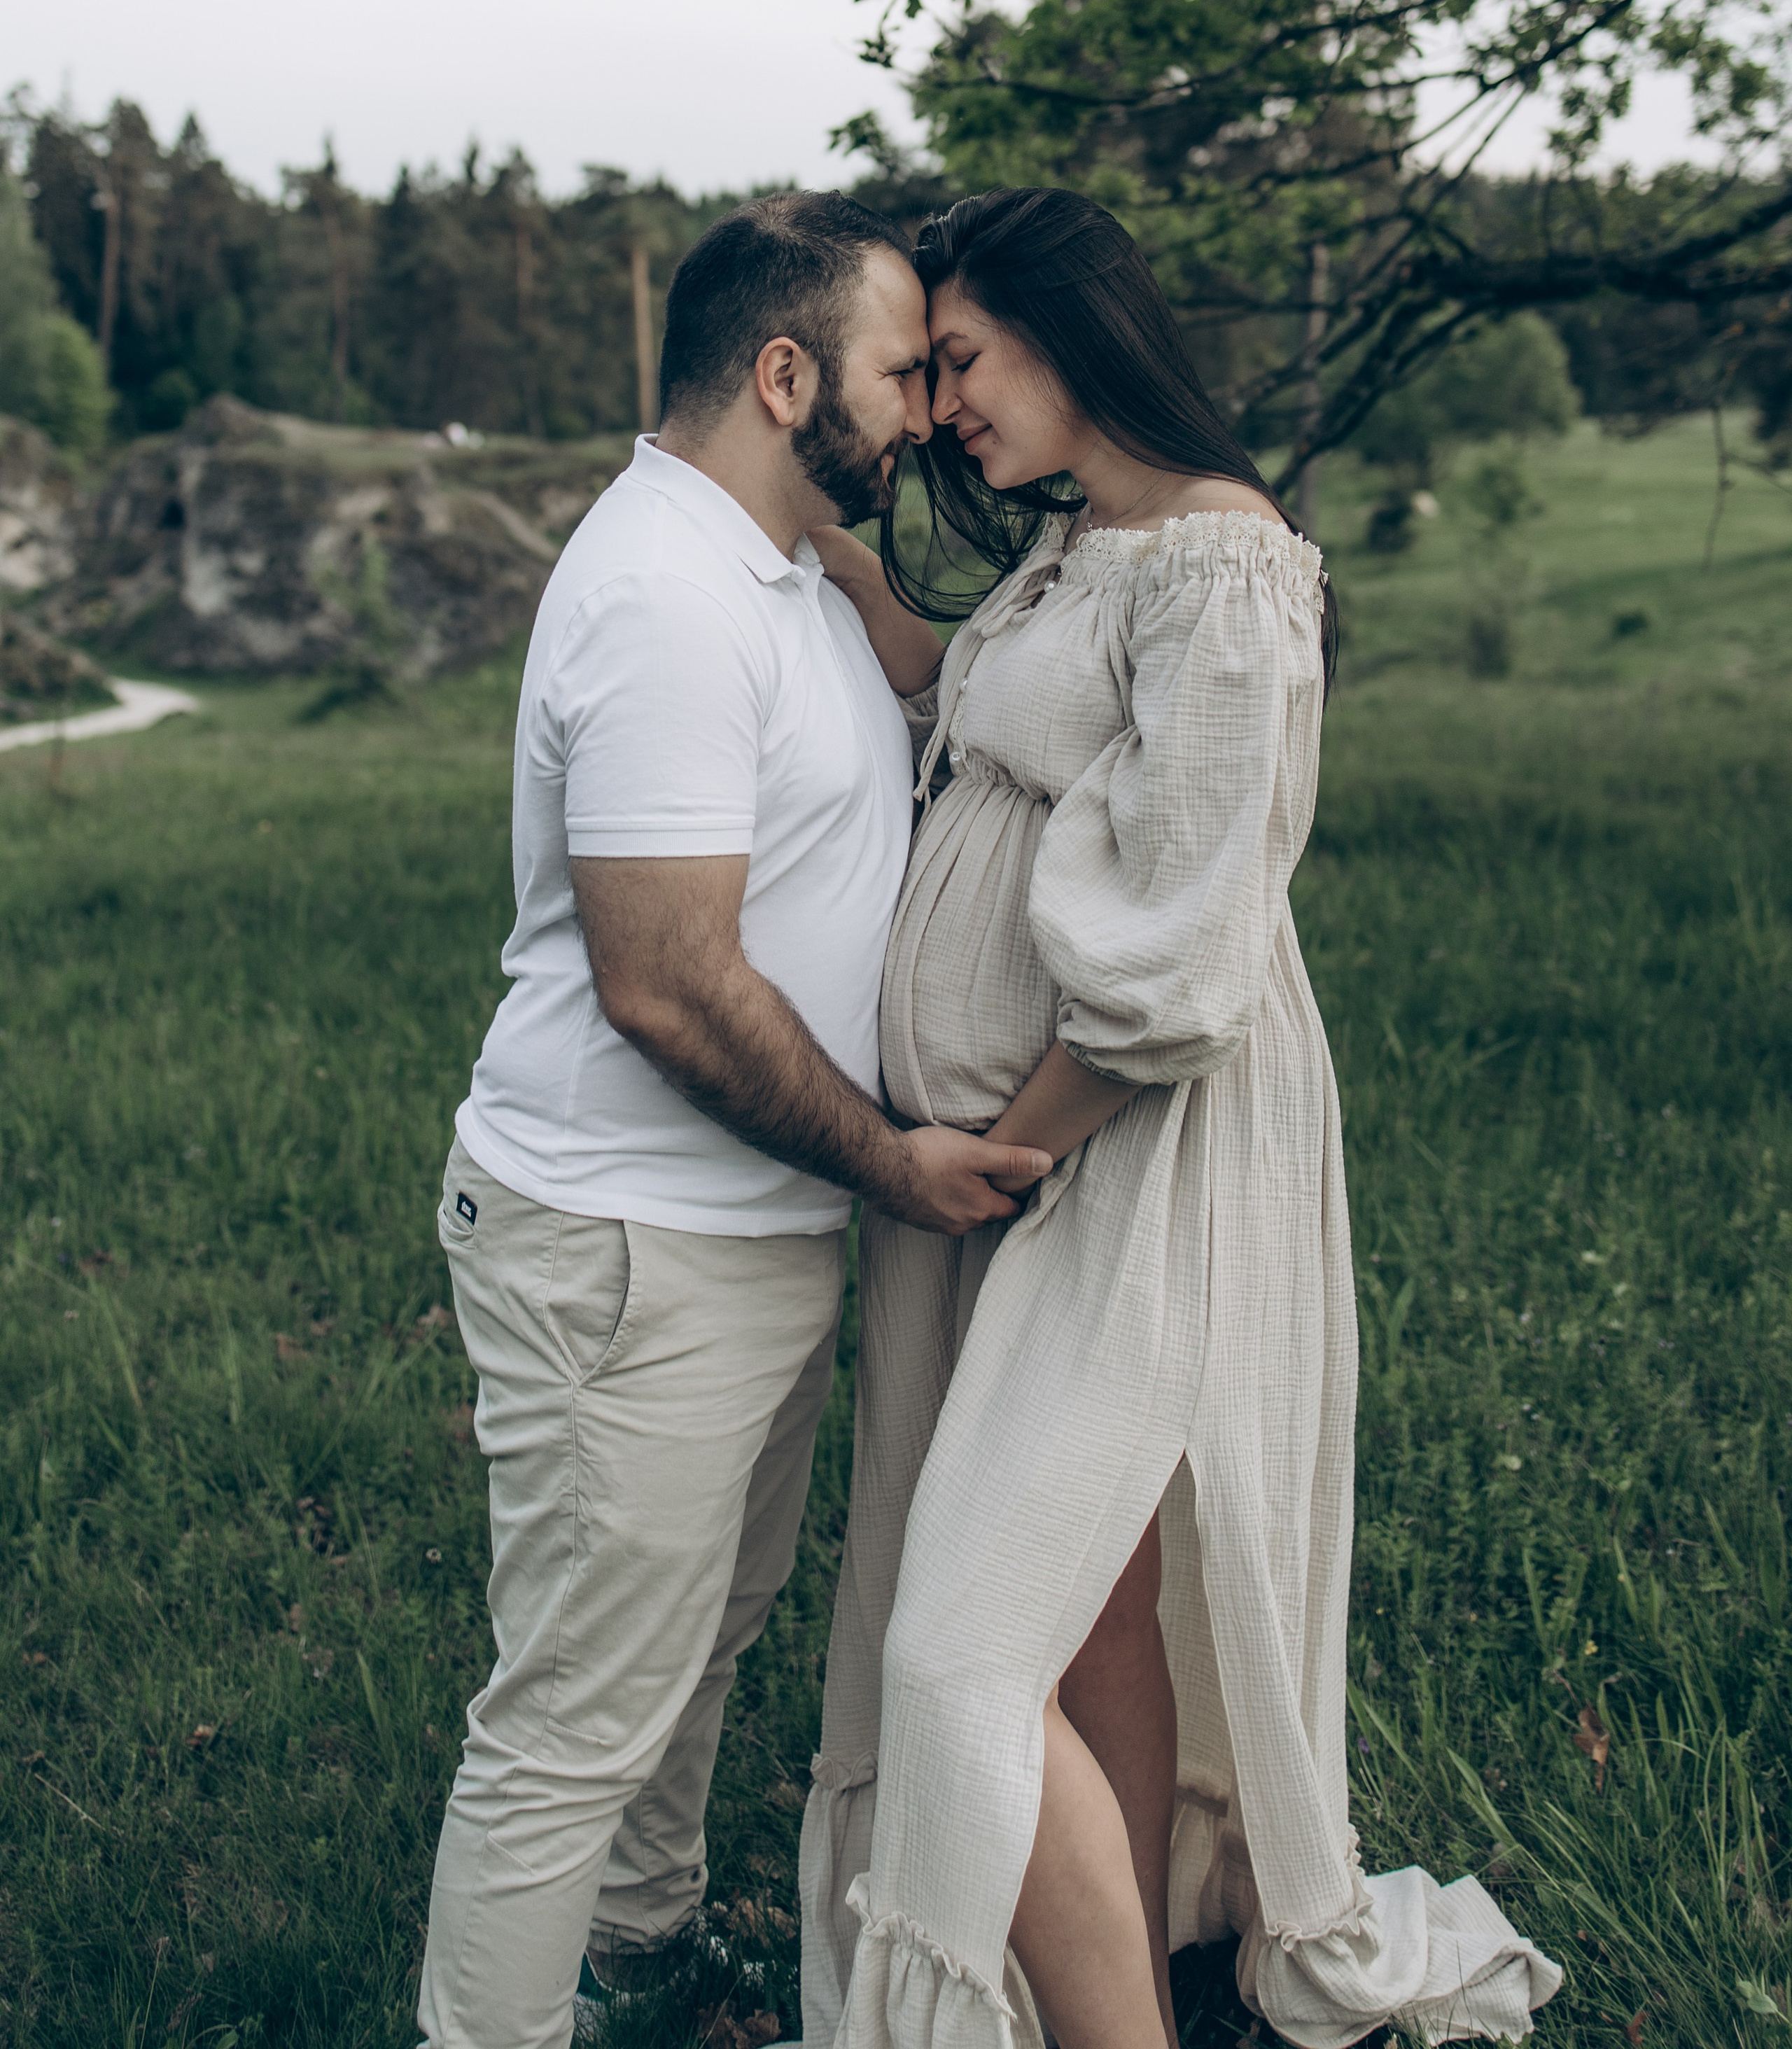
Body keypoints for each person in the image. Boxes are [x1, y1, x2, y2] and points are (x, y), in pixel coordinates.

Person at [800, 190, 1562, 2049]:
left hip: (1123, 1158)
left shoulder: (1227, 565)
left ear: (1073, 335)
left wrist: (1018, 1146)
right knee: (1095, 1607)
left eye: (962, 361)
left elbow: (1193, 944)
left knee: (959, 1653)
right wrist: (843, 573)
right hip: (1029, 1166)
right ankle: (1122, 1981)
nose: (945, 407)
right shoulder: (1084, 552)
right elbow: (980, 713)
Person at [416, 192, 1050, 2049]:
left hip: (740, 1228)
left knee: (694, 1650)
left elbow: (945, 685)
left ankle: (645, 1971)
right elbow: (668, 979)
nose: (926, 405)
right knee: (573, 1717)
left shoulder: (773, 570)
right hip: (631, 1246)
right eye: (891, 370)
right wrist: (891, 1161)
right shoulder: (667, 597)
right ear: (783, 377)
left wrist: (894, 558)